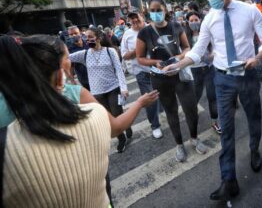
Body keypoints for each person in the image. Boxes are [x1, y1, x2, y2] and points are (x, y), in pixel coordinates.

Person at [0, 35, 158, 207]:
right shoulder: (89, 107)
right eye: (67, 58)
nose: (70, 62)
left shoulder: (6, 122)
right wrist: (140, 103)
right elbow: (115, 126)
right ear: (59, 72)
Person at [164, 0, 262, 201]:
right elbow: (198, 50)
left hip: (248, 74)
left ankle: (254, 150)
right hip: (223, 79)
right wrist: (178, 64)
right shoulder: (209, 18)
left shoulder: (249, 10)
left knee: (254, 118)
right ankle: (228, 180)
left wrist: (259, 57)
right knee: (226, 129)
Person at [136, 0, 208, 162]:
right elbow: (140, 57)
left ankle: (194, 138)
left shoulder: (176, 25)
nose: (155, 13)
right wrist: (156, 62)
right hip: (160, 78)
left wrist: (178, 59)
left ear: (165, 10)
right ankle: (179, 145)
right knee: (171, 111)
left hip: (180, 74)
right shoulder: (144, 32)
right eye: (152, 11)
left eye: (158, 10)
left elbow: (187, 47)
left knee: (191, 108)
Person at [69, 27, 131, 153]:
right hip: (97, 93)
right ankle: (121, 138)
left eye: (90, 37)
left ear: (99, 38)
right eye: (86, 37)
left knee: (117, 113)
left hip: (113, 88)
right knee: (108, 118)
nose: (87, 40)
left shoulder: (110, 52)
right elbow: (67, 58)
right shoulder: (84, 54)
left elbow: (119, 70)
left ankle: (126, 125)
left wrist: (123, 88)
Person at [121, 10, 163, 139]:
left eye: (136, 17)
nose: (134, 20)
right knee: (150, 99)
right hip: (141, 72)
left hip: (159, 69)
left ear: (142, 17)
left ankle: (160, 107)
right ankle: (155, 125)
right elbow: (125, 55)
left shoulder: (153, 28)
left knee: (161, 95)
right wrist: (138, 50)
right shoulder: (127, 34)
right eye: (131, 18)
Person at [186, 11, 221, 134]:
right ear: (188, 23)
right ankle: (192, 118)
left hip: (209, 69)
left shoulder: (206, 33)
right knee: (194, 97)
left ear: (200, 20)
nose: (194, 22)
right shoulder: (186, 36)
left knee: (212, 96)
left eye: (196, 20)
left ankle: (214, 122)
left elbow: (216, 47)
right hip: (194, 71)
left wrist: (211, 56)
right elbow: (184, 53)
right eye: (191, 21)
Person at [67, 25, 90, 90]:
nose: (74, 35)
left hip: (96, 74)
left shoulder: (89, 42)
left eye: (75, 33)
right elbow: (70, 67)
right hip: (83, 78)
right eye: (71, 34)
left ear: (80, 33)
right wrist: (72, 81)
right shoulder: (69, 49)